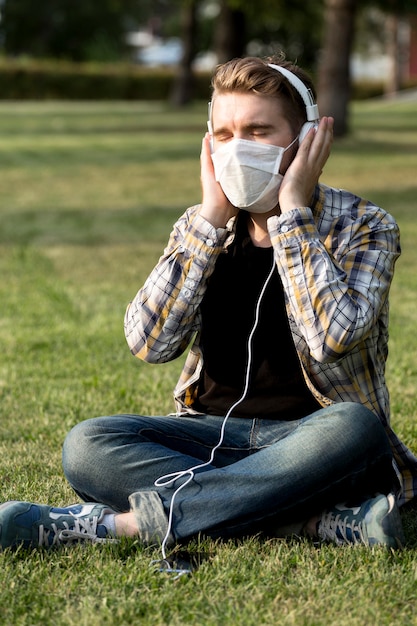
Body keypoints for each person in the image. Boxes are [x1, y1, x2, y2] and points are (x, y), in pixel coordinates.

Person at [2, 54, 417, 553]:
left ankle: (122, 526)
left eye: (258, 131)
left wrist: (292, 216)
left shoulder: (366, 226)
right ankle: (305, 519)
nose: (238, 149)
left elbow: (332, 340)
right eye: (223, 134)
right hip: (208, 436)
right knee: (88, 445)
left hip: (312, 440)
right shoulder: (201, 226)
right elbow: (149, 343)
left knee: (356, 428)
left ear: (306, 139)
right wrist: (208, 220)